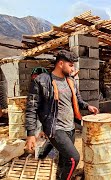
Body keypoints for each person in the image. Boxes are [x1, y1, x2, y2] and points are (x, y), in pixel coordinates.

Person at [25, 51, 99, 180]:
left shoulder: (70, 81)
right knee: (74, 158)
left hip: (70, 128)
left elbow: (78, 100)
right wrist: (31, 134)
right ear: (60, 63)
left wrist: (87, 106)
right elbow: (31, 108)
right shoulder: (42, 81)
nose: (73, 69)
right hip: (55, 128)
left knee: (64, 160)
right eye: (70, 65)